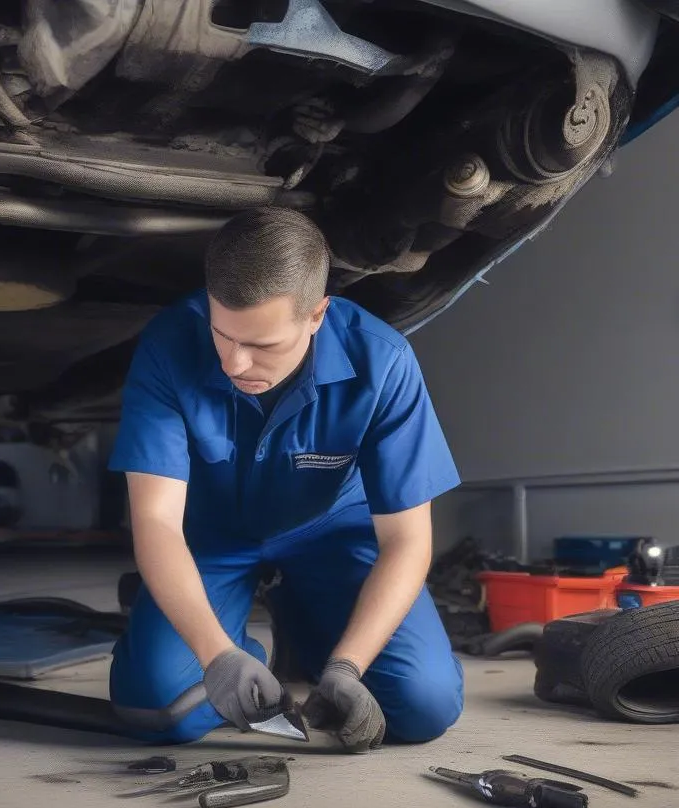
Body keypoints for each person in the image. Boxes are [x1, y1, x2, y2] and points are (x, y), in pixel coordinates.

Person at [106, 207, 463, 751]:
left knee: (422, 707)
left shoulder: (384, 363)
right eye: (223, 334)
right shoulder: (167, 346)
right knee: (160, 709)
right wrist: (217, 656)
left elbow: (407, 541)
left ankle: (310, 631)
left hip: (331, 531)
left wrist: (348, 665)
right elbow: (155, 518)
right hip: (210, 535)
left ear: (317, 314)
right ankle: (216, 632)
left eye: (263, 346)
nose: (234, 361)